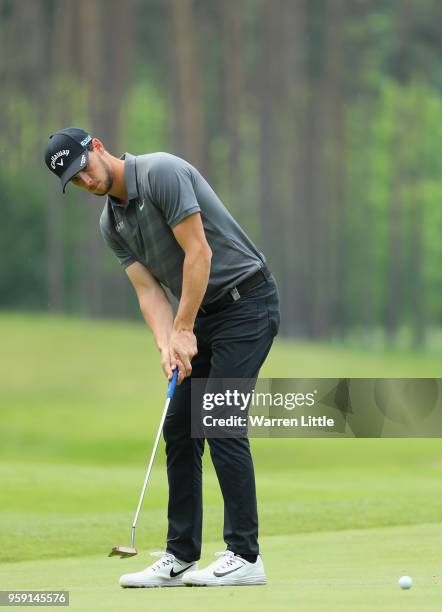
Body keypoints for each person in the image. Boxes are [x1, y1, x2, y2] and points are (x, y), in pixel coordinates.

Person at [44, 127, 280, 588]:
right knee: (180, 428)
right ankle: (180, 556)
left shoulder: (161, 173)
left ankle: (245, 555)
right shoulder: (111, 224)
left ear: (97, 147)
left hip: (247, 301)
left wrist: (185, 328)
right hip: (202, 315)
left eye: (84, 168)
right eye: (74, 181)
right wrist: (167, 344)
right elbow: (150, 292)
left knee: (219, 419)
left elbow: (199, 253)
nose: (86, 181)